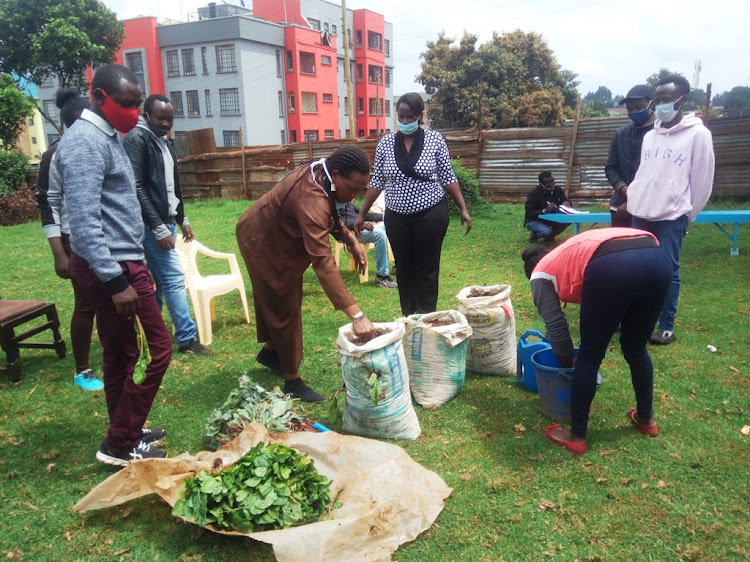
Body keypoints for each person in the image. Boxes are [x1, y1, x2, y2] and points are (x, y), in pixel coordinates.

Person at [56, 64, 172, 466]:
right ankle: (119, 443)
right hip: (113, 268)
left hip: (122, 261)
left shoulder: (108, 136)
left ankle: (125, 429)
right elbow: (84, 222)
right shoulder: (86, 142)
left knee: (121, 354)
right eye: (127, 104)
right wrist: (114, 280)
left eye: (138, 104)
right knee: (156, 350)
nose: (134, 112)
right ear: (100, 97)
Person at [236, 146, 377, 403]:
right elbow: (323, 262)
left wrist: (350, 239)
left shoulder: (323, 174)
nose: (355, 196)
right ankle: (292, 380)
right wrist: (356, 315)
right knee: (285, 303)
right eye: (353, 189)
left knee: (280, 300)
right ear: (336, 175)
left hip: (272, 235)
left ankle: (270, 353)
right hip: (260, 240)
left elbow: (330, 215)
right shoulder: (312, 197)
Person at [522, 228, 672, 454]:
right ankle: (645, 419)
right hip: (657, 258)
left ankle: (577, 435)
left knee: (589, 355)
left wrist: (566, 362)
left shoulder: (539, 273)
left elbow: (556, 328)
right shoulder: (566, 255)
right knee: (636, 348)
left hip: (612, 264)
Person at [353, 92, 471, 316]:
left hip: (431, 213)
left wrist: (463, 208)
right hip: (397, 217)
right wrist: (362, 214)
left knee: (426, 267)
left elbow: (448, 176)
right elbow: (377, 181)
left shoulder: (434, 139)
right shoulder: (386, 143)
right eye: (401, 117)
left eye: (410, 117)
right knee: (404, 268)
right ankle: (409, 317)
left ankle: (426, 318)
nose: (405, 122)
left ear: (419, 116)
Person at [625, 75, 715, 345]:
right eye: (657, 100)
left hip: (672, 216)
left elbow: (702, 181)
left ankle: (666, 325)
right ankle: (637, 319)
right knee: (637, 268)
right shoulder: (651, 135)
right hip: (641, 213)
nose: (659, 106)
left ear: (682, 100)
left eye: (665, 100)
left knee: (667, 271)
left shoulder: (698, 135)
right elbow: (645, 173)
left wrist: (688, 216)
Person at [122, 94, 211, 356]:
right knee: (173, 278)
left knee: (161, 281)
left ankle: (148, 332)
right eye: (161, 118)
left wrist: (182, 218)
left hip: (167, 220)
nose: (166, 123)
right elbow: (136, 186)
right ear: (146, 115)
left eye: (170, 118)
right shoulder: (136, 139)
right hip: (150, 225)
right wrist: (158, 227)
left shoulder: (165, 142)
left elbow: (171, 184)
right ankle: (186, 339)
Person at [35, 88, 103, 390]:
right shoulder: (54, 154)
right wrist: (58, 253)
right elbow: (47, 205)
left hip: (102, 237)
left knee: (109, 301)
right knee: (86, 305)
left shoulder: (98, 146)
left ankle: (111, 354)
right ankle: (82, 370)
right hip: (72, 240)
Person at [605, 84, 656, 227]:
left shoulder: (661, 133)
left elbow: (660, 174)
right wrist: (625, 190)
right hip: (620, 207)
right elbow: (611, 167)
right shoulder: (620, 134)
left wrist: (633, 201)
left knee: (647, 248)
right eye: (630, 109)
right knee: (620, 248)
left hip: (651, 209)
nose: (634, 112)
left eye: (639, 107)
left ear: (652, 104)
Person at [337, 201, 397, 288]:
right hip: (349, 233)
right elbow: (338, 223)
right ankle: (382, 277)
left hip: (359, 229)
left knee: (388, 223)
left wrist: (386, 217)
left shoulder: (346, 203)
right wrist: (359, 224)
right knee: (379, 234)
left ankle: (397, 267)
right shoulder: (331, 204)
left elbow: (365, 215)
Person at [524, 171, 571, 243]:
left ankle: (550, 236)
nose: (552, 187)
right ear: (541, 184)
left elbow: (565, 201)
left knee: (569, 219)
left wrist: (567, 203)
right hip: (534, 220)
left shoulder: (557, 190)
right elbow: (530, 212)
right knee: (546, 232)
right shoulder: (534, 193)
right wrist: (544, 210)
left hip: (552, 218)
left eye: (553, 184)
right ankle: (535, 234)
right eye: (548, 185)